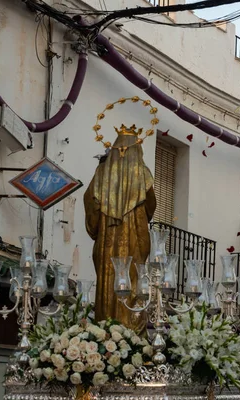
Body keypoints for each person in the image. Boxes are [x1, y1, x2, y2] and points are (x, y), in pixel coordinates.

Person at [84, 124, 157, 332]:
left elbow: (90, 205)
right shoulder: (143, 175)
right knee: (133, 283)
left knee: (108, 281)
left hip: (107, 242)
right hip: (135, 239)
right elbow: (151, 205)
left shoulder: (100, 174)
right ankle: (131, 333)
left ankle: (105, 330)